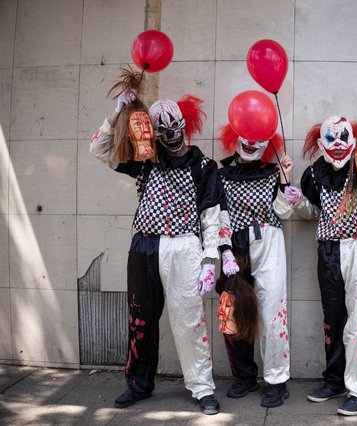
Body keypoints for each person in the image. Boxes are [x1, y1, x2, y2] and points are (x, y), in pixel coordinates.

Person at [89, 68, 235, 415]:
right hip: (144, 245)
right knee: (140, 319)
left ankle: (201, 387)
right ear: (152, 131)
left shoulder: (203, 165)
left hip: (184, 246)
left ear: (184, 124)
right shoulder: (144, 160)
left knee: (189, 319)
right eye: (161, 129)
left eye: (174, 127)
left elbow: (213, 215)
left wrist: (210, 260)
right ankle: (138, 384)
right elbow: (99, 148)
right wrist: (117, 113)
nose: (169, 135)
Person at [300, 117, 357, 416]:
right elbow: (313, 210)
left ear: (353, 138)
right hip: (328, 251)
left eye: (343, 137)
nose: (337, 143)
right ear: (320, 142)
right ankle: (335, 380)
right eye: (330, 137)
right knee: (333, 320)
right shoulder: (315, 174)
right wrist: (293, 198)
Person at [214, 124, 303, 408]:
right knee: (235, 311)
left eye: (258, 138)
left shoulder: (271, 172)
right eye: (247, 136)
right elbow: (218, 215)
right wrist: (224, 250)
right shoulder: (222, 175)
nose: (251, 142)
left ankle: (277, 380)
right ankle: (244, 376)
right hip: (234, 247)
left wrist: (285, 182)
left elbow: (282, 213)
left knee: (271, 311)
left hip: (268, 244)